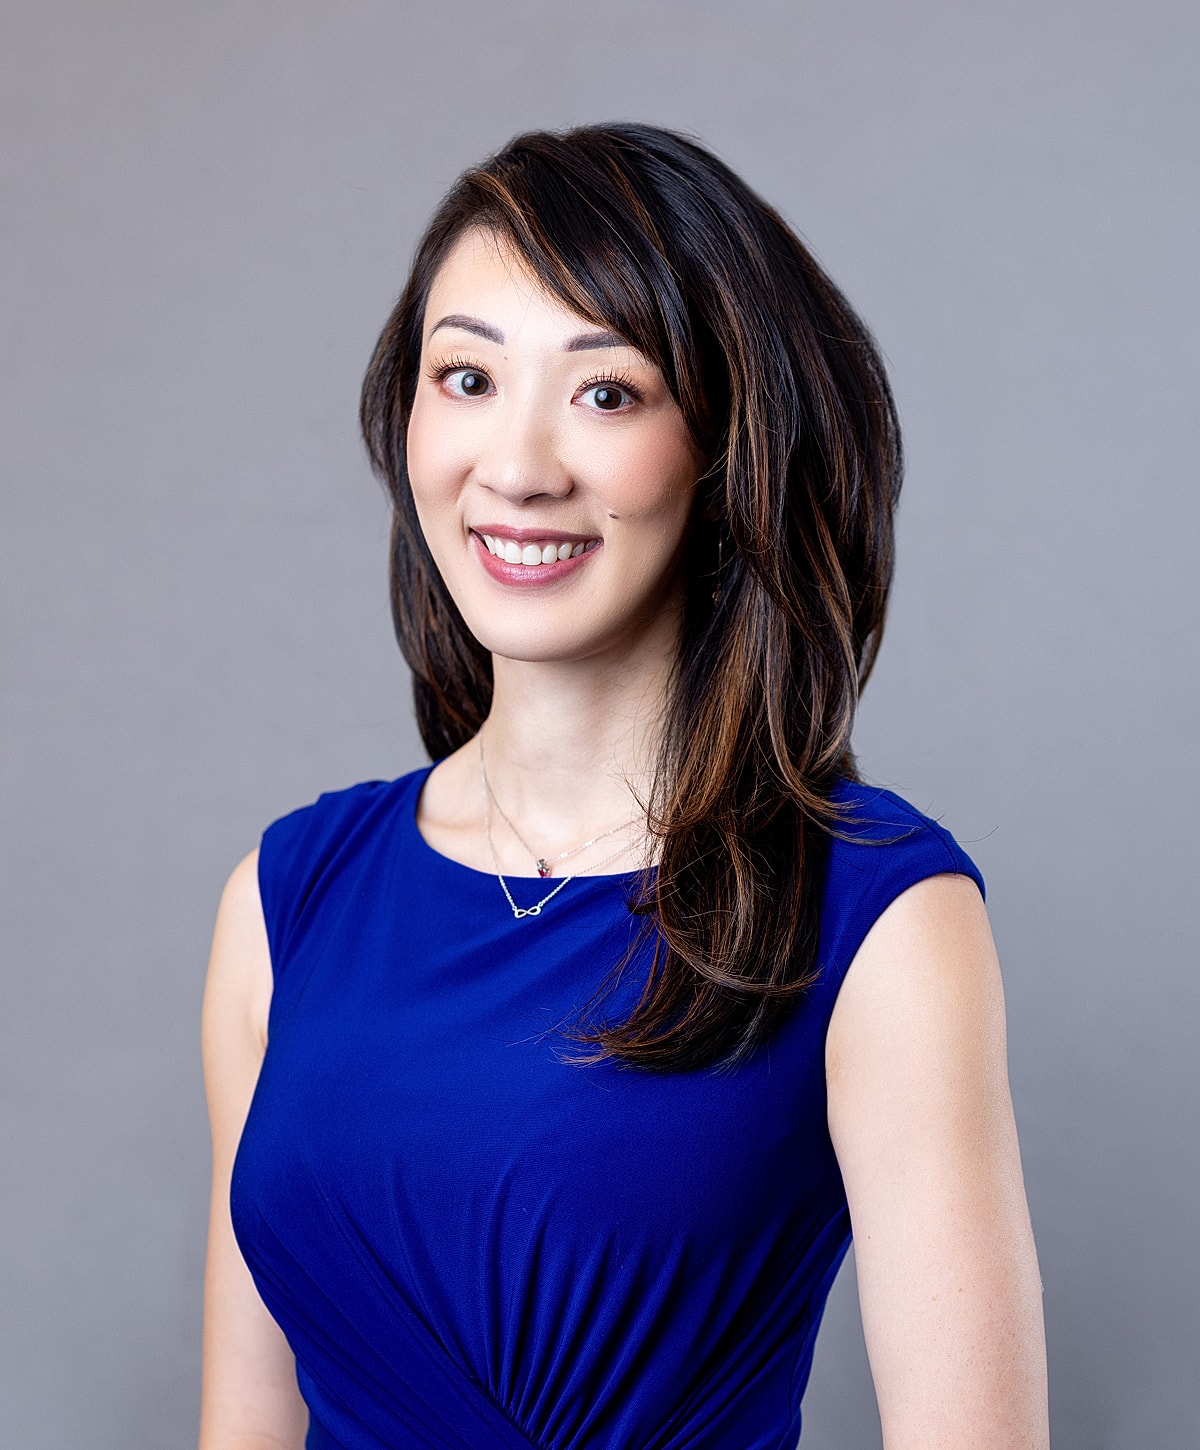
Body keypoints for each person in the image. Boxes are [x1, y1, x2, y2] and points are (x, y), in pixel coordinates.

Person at [199, 123, 1049, 1449]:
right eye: (466, 376)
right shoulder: (289, 901)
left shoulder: (877, 915)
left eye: (607, 393)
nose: (520, 464)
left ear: (723, 444)